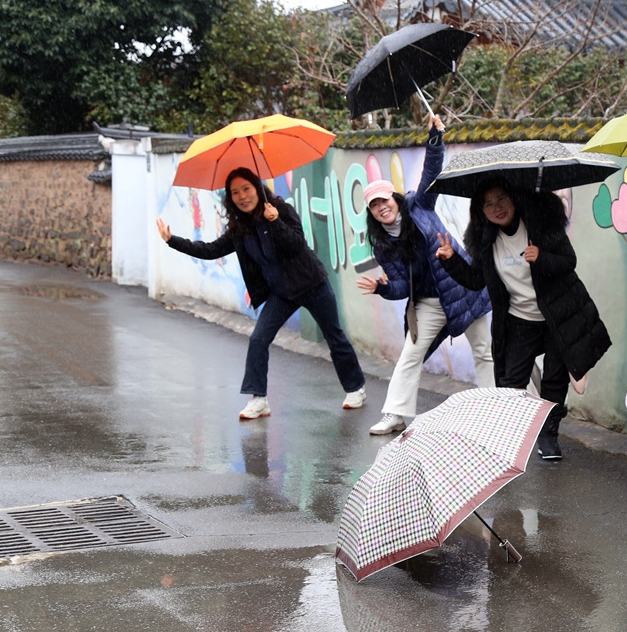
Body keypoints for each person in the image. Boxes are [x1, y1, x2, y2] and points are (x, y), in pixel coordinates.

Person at [156, 167, 367, 420]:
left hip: (311, 283)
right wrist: (172, 240)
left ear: (257, 188)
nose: (242, 196)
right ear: (230, 198)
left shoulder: (280, 209)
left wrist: (275, 221)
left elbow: (298, 244)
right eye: (235, 192)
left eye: (246, 188)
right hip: (281, 293)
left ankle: (355, 388)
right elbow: (211, 250)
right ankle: (258, 399)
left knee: (334, 336)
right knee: (258, 339)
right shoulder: (239, 228)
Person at [435, 178, 611, 460]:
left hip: (557, 314)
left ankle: (549, 436)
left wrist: (541, 257)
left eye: (502, 198)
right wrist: (451, 259)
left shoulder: (540, 225)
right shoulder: (486, 240)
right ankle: (512, 436)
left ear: (514, 198)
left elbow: (569, 262)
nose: (497, 207)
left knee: (554, 377)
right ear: (481, 211)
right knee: (510, 382)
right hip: (518, 319)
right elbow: (476, 279)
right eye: (488, 203)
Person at [355, 115, 493, 436]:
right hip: (429, 303)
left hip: (461, 286)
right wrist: (382, 288)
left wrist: (435, 138)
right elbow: (402, 285)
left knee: (483, 351)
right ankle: (394, 414)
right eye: (374, 206)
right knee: (410, 355)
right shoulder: (383, 246)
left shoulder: (419, 206)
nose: (381, 208)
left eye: (384, 201)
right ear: (372, 213)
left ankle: (492, 410)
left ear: (395, 199)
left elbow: (432, 172)